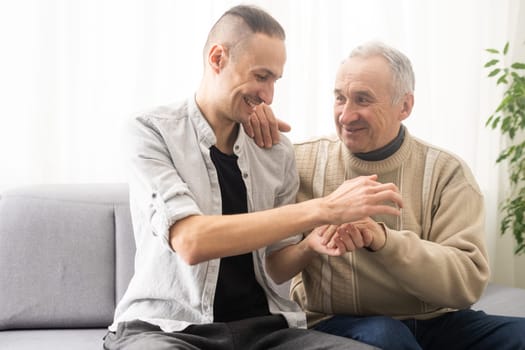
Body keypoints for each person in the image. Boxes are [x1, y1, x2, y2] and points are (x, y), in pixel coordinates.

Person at [103, 7, 402, 350]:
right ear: (218, 58)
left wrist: (309, 245)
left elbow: (274, 266)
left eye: (275, 79)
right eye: (261, 76)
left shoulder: (274, 152)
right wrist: (325, 209)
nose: (269, 95)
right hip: (165, 328)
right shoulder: (151, 131)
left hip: (262, 330)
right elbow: (191, 241)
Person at [284, 41, 525, 350]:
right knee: (388, 337)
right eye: (340, 98)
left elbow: (467, 280)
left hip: (436, 321)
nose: (346, 115)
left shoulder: (448, 173)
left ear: (405, 106)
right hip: (336, 320)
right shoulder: (300, 162)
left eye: (362, 100)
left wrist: (384, 241)